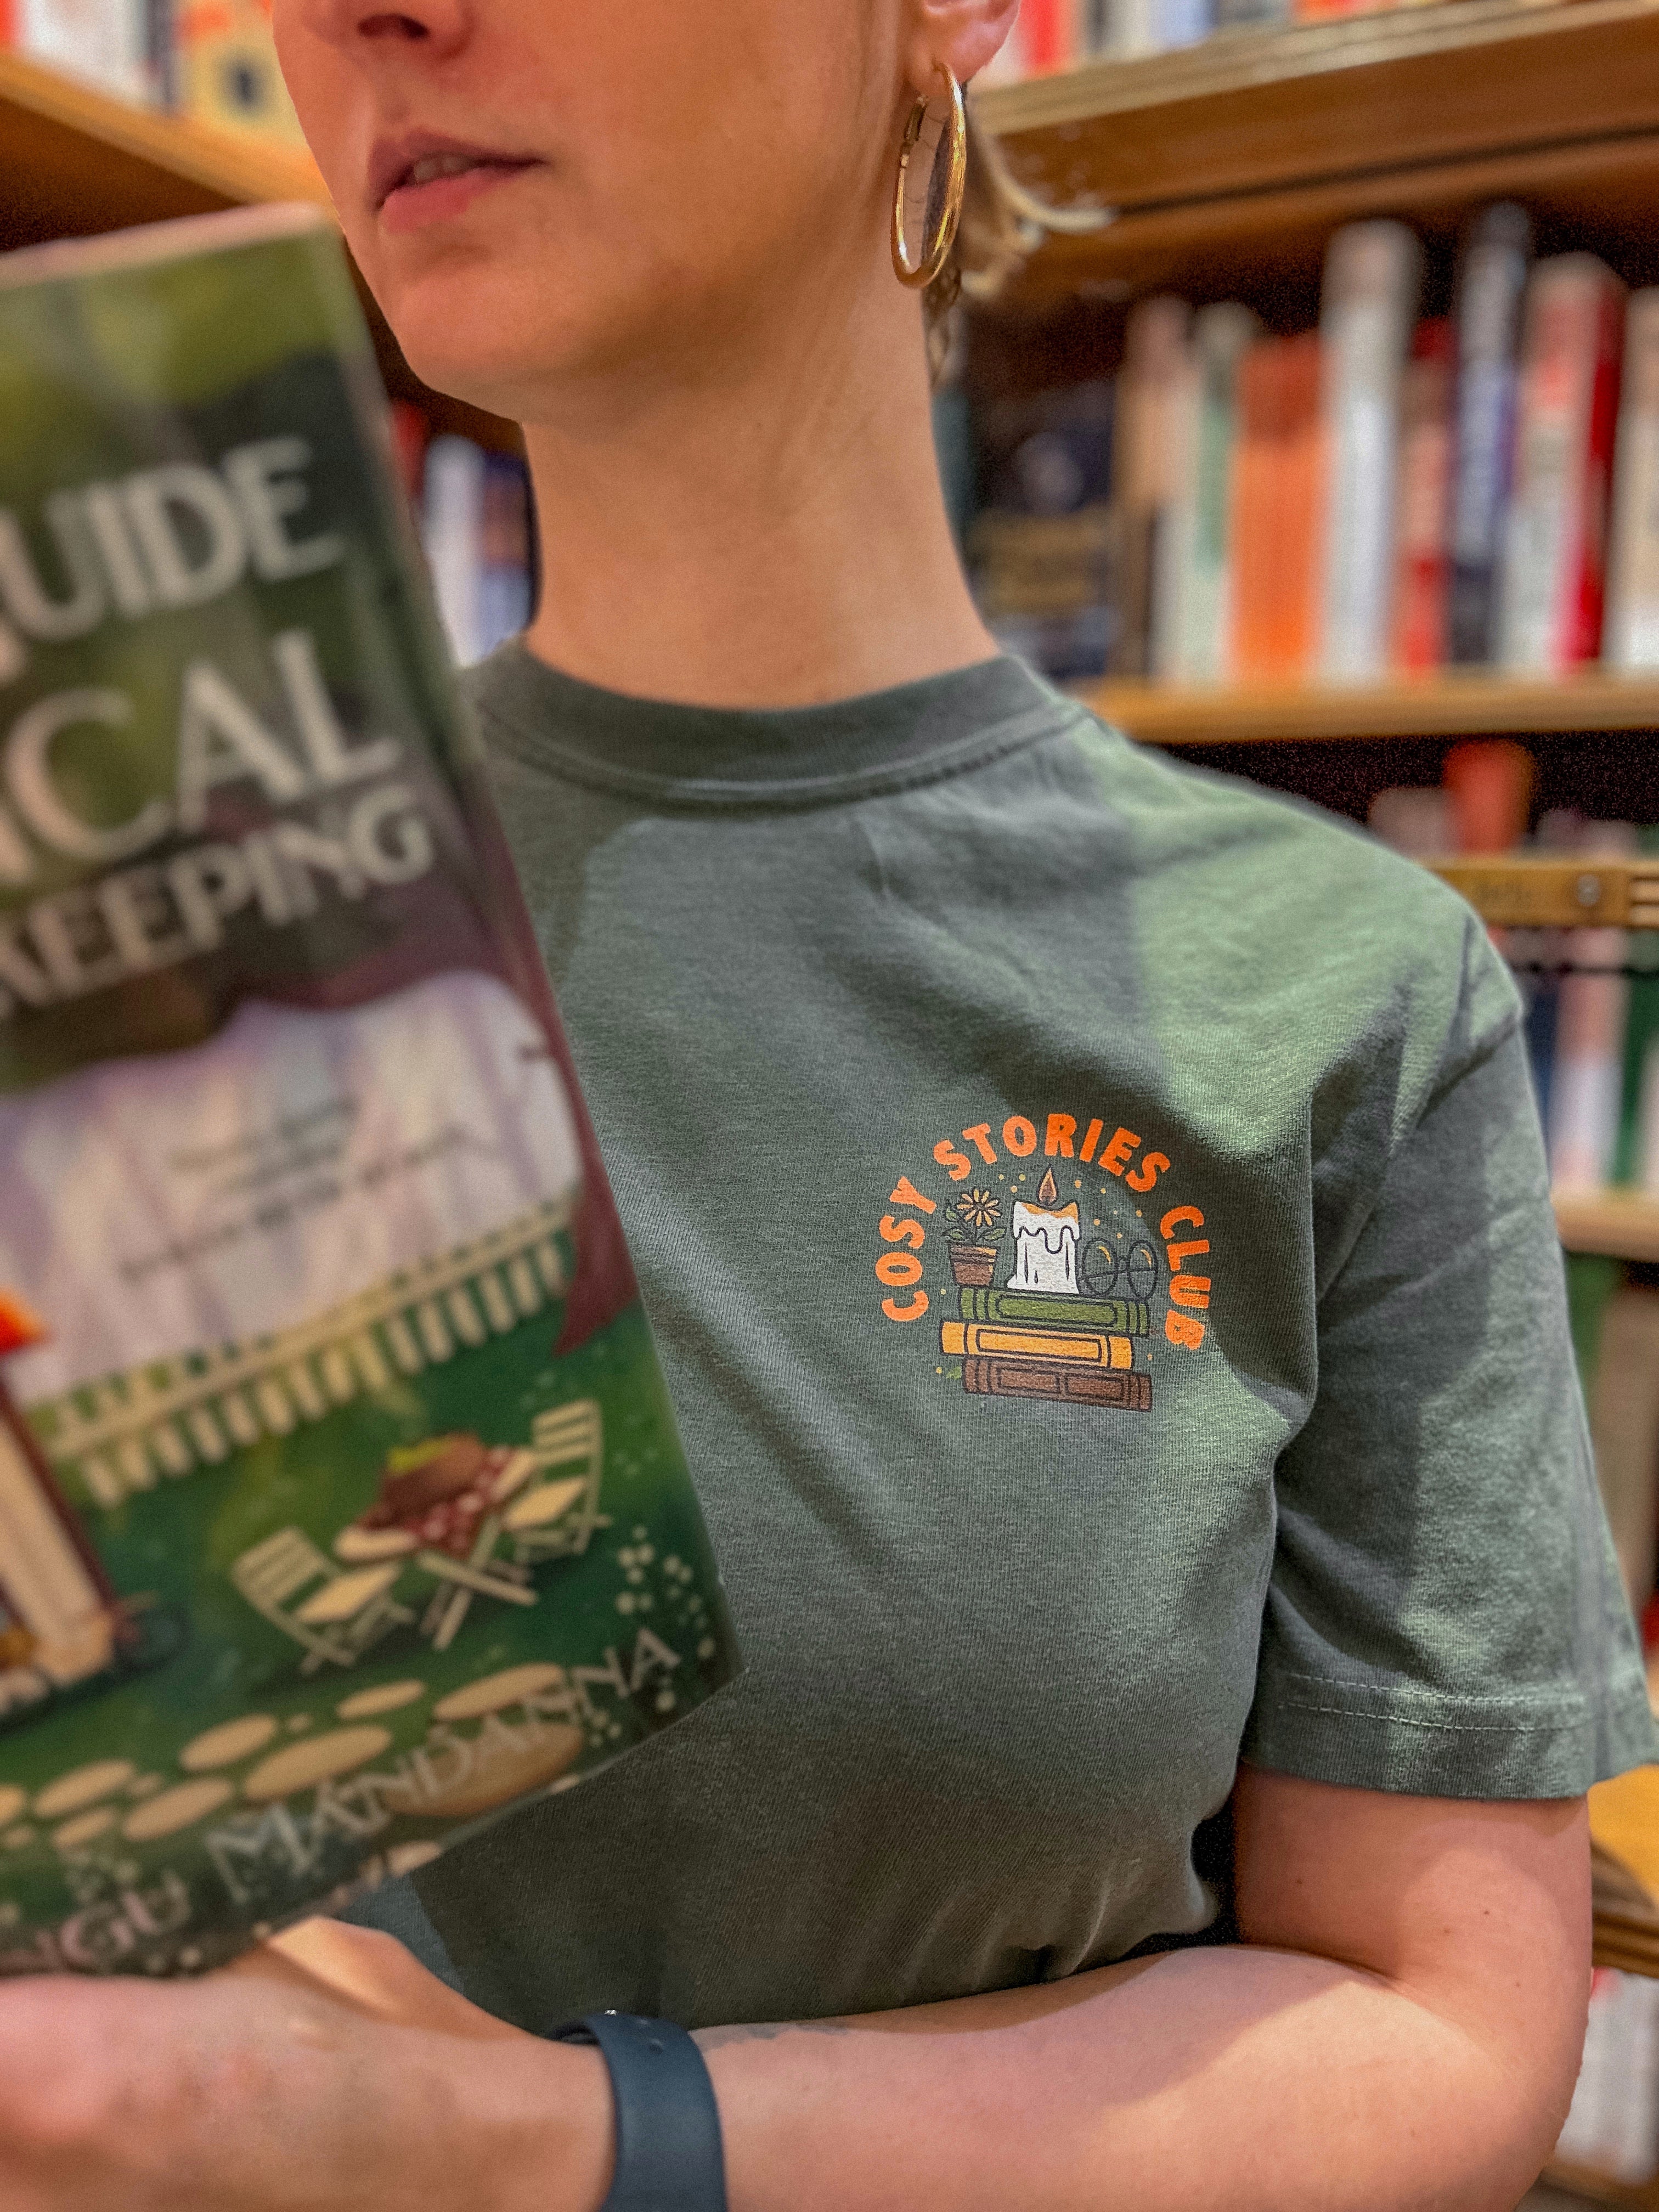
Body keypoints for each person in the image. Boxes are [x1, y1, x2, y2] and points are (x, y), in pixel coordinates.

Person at [2, 1, 1654, 2206]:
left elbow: (1438, 2023)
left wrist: (548, 2145)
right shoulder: (140, 954)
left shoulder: (1343, 997)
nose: (370, 12)